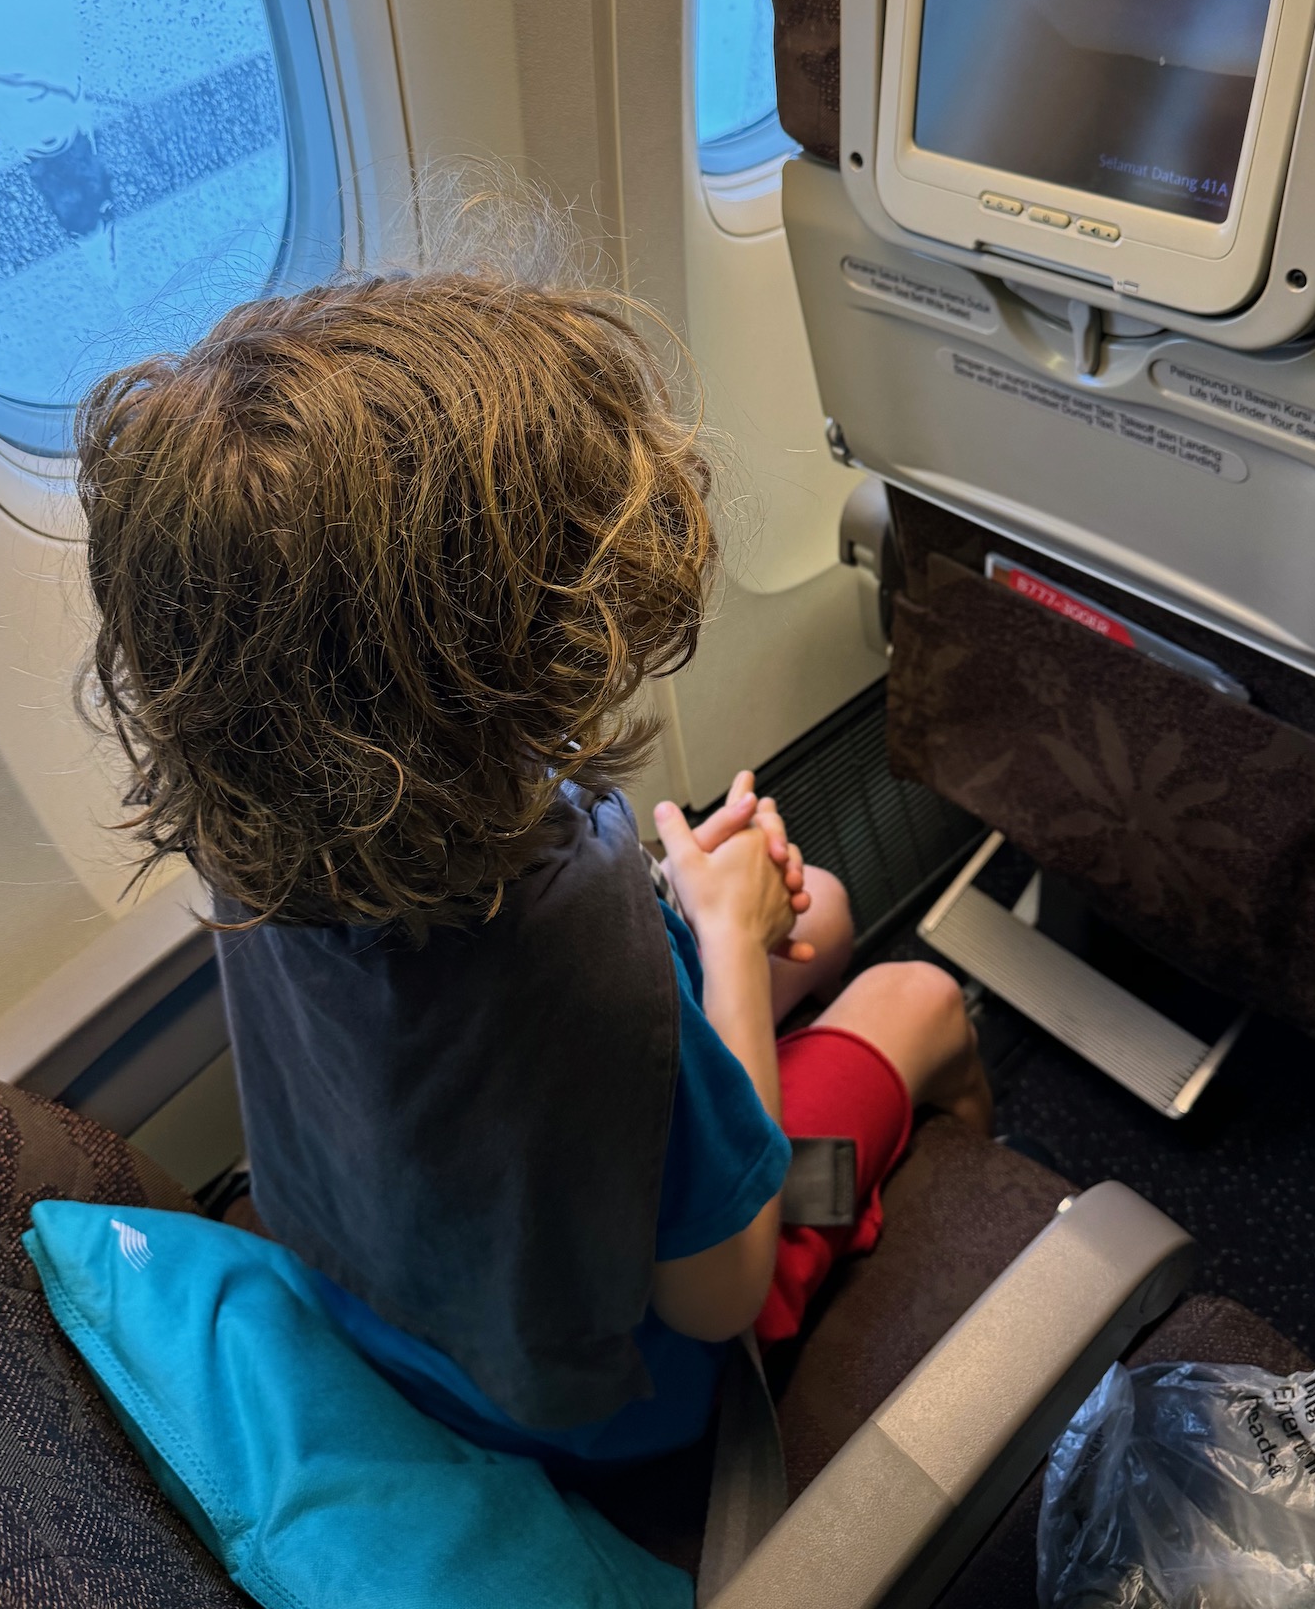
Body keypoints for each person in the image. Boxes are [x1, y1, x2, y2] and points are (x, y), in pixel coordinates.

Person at [74, 243, 991, 1468]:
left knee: (814, 915)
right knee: (913, 997)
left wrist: (697, 915)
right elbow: (712, 1289)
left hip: (376, 1295)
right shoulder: (574, 946)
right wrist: (714, 933)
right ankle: (957, 1208)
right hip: (600, 1395)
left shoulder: (256, 818)